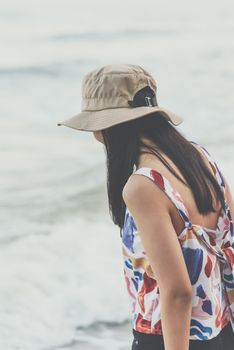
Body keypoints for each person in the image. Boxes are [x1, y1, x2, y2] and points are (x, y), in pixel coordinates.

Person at [57, 64, 234, 350]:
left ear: (110, 125)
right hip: (221, 330)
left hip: (170, 338)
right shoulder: (200, 157)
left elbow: (177, 291)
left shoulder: (143, 185)